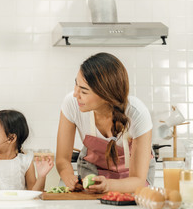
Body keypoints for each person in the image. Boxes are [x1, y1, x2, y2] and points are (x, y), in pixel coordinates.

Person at [56, 52, 155, 193]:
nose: (75, 94)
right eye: (76, 84)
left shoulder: (137, 113)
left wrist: (109, 185)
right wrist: (69, 178)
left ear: (106, 96)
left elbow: (138, 179)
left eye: (84, 91)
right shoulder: (72, 104)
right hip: (93, 171)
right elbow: (62, 159)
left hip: (134, 180)